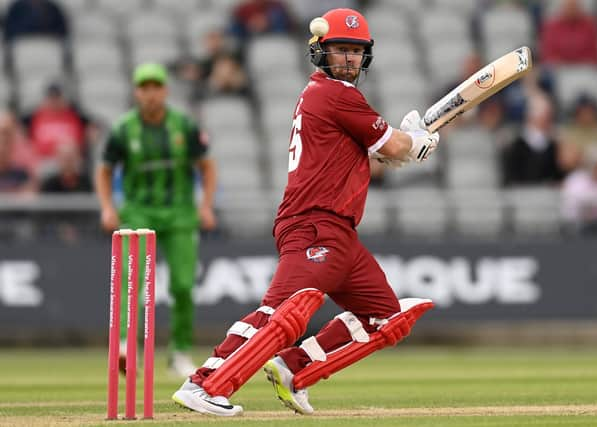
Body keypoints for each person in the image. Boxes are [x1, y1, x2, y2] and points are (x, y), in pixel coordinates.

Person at [171, 8, 439, 417]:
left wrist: (394, 147)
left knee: (385, 316)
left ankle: (296, 369)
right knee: (285, 311)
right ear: (321, 52)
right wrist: (413, 143)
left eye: (355, 51)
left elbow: (371, 153)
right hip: (314, 223)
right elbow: (396, 146)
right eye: (340, 50)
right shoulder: (335, 93)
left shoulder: (329, 97)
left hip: (339, 231)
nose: (348, 58)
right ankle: (205, 383)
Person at [95, 63, 218, 377]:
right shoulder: (123, 129)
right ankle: (126, 345)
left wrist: (205, 206)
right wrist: (108, 207)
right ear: (137, 92)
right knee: (130, 281)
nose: (150, 94)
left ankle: (179, 352)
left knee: (183, 285)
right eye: (144, 88)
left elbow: (207, 166)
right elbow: (104, 170)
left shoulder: (184, 126)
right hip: (138, 211)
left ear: (165, 90)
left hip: (179, 212)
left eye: (155, 87)